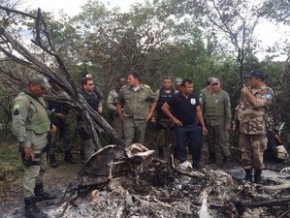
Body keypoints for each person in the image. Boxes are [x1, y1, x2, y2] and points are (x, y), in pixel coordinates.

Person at [11, 75, 57, 218]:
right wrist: (26, 146)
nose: (44, 91)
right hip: (31, 144)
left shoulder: (38, 98)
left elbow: (40, 116)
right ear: (32, 85)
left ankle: (39, 192)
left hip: (42, 141)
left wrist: (49, 126)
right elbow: (18, 125)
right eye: (42, 88)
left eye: (45, 88)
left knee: (42, 168)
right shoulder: (22, 101)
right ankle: (29, 206)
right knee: (31, 173)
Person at [235, 70, 273, 183]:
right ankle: (247, 176)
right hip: (244, 128)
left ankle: (257, 177)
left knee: (257, 154)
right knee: (245, 153)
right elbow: (239, 107)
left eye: (250, 78)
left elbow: (257, 103)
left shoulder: (268, 91)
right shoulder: (247, 90)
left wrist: (247, 92)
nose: (248, 80)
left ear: (258, 79)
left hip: (258, 129)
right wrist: (234, 122)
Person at [162, 79, 208, 170]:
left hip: (193, 125)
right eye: (189, 87)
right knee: (181, 145)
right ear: (183, 88)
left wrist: (203, 126)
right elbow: (164, 107)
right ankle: (183, 163)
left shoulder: (194, 97)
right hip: (181, 127)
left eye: (192, 87)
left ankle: (196, 163)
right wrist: (174, 119)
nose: (191, 89)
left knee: (197, 144)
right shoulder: (175, 97)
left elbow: (198, 111)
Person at [116, 70, 157, 146]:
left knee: (140, 142)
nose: (127, 81)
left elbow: (154, 100)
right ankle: (126, 157)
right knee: (127, 141)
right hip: (128, 120)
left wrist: (150, 114)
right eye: (127, 79)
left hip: (142, 120)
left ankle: (138, 157)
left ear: (136, 79)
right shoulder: (124, 90)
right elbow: (118, 102)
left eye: (130, 79)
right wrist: (121, 116)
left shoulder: (146, 89)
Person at [200, 77, 232, 167]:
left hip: (221, 122)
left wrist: (228, 123)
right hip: (209, 122)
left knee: (223, 141)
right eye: (213, 84)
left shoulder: (224, 94)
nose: (215, 86)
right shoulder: (206, 94)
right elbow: (202, 109)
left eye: (216, 84)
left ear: (220, 84)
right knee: (210, 141)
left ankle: (226, 159)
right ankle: (212, 157)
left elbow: (228, 109)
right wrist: (201, 122)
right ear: (210, 85)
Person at [47, 81, 75, 168]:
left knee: (67, 137)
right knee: (53, 140)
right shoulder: (47, 95)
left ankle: (67, 155)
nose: (57, 85)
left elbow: (70, 104)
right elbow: (44, 109)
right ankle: (52, 157)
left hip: (65, 119)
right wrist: (56, 114)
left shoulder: (63, 94)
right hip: (53, 121)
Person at [77, 77, 103, 163]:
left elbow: (98, 102)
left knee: (91, 142)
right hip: (84, 122)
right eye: (90, 84)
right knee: (89, 143)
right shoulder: (80, 96)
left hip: (94, 122)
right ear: (84, 86)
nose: (93, 86)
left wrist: (100, 106)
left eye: (93, 84)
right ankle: (88, 163)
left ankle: (89, 161)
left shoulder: (93, 94)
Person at [155, 76, 176, 160]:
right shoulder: (158, 92)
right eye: (165, 82)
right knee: (160, 138)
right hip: (161, 119)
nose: (167, 84)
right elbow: (154, 105)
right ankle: (161, 154)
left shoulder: (176, 93)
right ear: (163, 83)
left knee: (173, 138)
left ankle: (172, 155)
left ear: (171, 83)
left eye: (168, 82)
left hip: (172, 119)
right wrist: (153, 117)